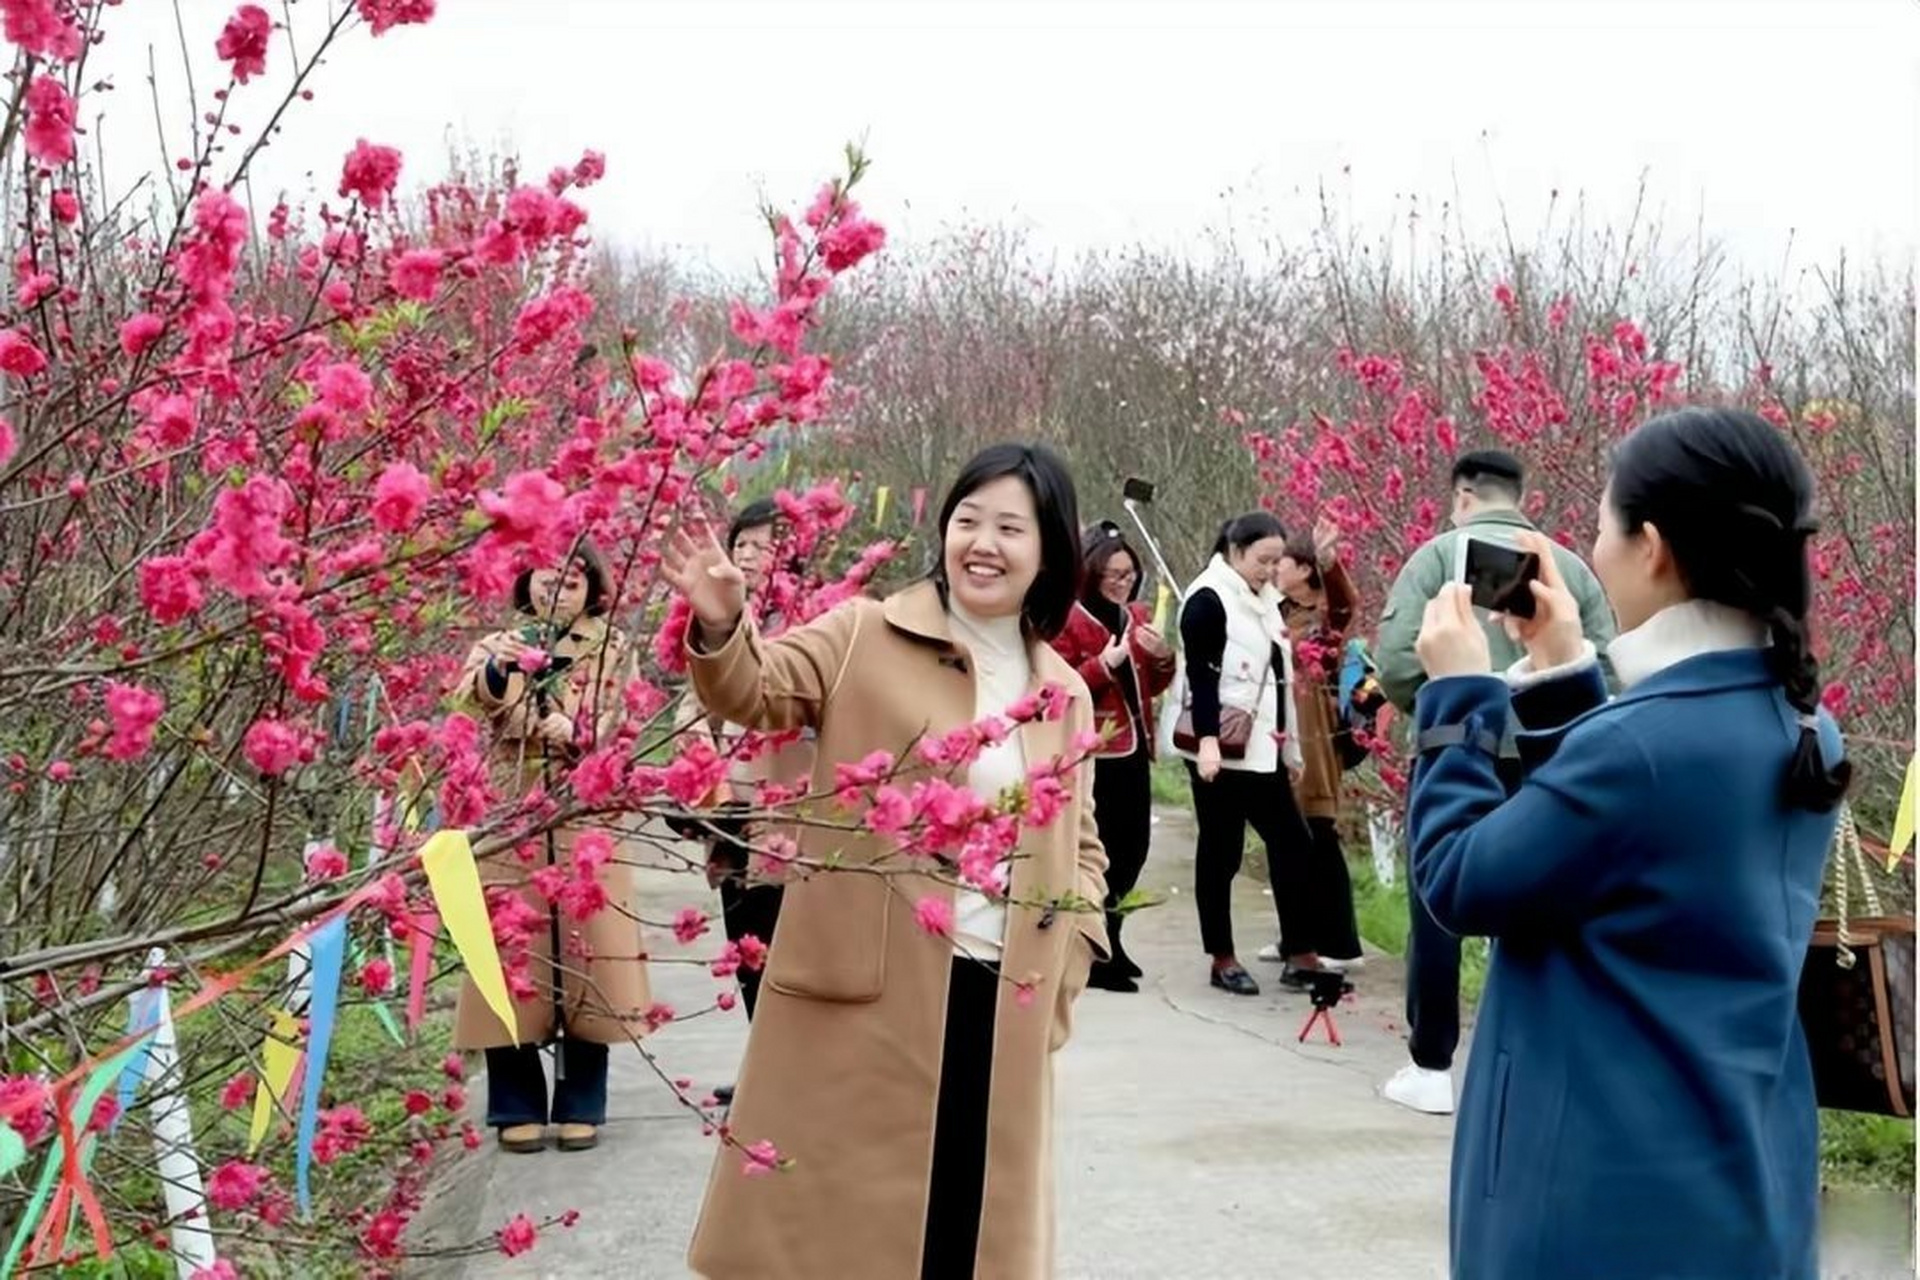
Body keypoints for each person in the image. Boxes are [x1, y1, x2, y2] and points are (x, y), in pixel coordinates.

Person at [1405, 406, 1848, 1279]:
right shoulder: (1802, 724)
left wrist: (1459, 696)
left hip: (1595, 1196)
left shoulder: (1643, 747)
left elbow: (1458, 880)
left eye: (1604, 525)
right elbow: (1623, 847)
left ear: (1651, 546)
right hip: (1735, 1171)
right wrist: (1563, 675)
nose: (1594, 554)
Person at [667, 442, 1108, 1280]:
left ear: (1048, 548)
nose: (983, 543)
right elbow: (753, 689)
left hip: (1001, 987)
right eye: (968, 521)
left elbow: (1081, 840)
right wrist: (723, 623)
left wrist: (1071, 950)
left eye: (1010, 527)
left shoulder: (1065, 691)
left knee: (967, 1228)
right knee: (848, 1234)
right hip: (871, 989)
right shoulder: (865, 633)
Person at [1373, 448, 1616, 1114]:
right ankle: (1538, 1053)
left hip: (1460, 742)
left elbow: (1394, 662)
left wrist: (1441, 702)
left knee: (1439, 899)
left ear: (1463, 495)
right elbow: (1606, 661)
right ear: (1521, 493)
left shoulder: (1435, 559)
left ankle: (1431, 1064)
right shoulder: (1566, 565)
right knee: (1551, 896)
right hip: (1548, 750)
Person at [451, 542, 649, 1154]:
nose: (556, 590)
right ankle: (515, 1104)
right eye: (546, 579)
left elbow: (631, 719)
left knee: (590, 956)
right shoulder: (499, 645)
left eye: (572, 582)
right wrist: (498, 674)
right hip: (512, 813)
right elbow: (464, 701)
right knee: (511, 958)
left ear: (592, 588)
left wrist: (583, 733)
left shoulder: (613, 648)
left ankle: (582, 1102)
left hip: (584, 809)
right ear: (526, 582)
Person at [1169, 511, 1342, 997]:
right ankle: (1221, 956)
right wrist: (1205, 743)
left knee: (1294, 842)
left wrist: (1290, 751)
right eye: (1263, 560)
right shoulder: (1208, 599)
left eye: (1276, 561)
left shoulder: (1267, 602)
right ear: (1235, 551)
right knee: (1221, 852)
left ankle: (1299, 949)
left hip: (1264, 750)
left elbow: (1279, 679)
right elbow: (1202, 677)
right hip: (1220, 751)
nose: (1270, 570)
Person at [1050, 522, 1177, 992]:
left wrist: (1163, 658)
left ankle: (1113, 937)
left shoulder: (1136, 617)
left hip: (1134, 750)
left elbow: (1151, 685)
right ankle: (1091, 948)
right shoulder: (1070, 620)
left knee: (1133, 850)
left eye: (1128, 573)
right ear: (1091, 573)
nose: (1122, 582)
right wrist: (1105, 665)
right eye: (1112, 574)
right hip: (1095, 753)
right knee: (1099, 852)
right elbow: (1058, 686)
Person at [1252, 515, 1363, 978]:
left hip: (1312, 735)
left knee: (1318, 833)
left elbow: (1345, 605)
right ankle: (1296, 937)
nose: (1276, 569)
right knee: (1288, 839)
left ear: (1304, 570)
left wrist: (1329, 561)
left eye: (1285, 563)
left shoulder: (1322, 617)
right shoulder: (1277, 612)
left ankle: (1339, 940)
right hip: (1277, 732)